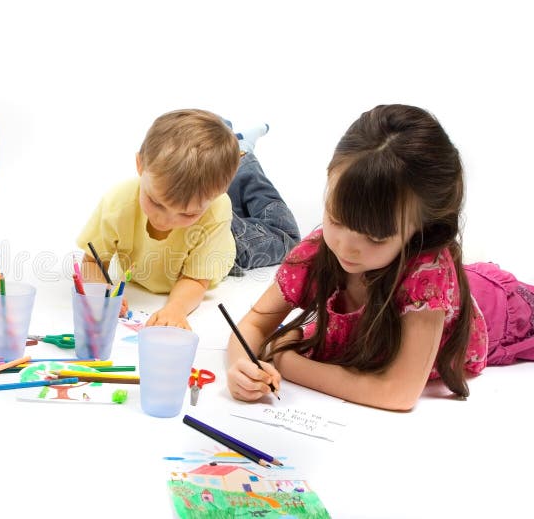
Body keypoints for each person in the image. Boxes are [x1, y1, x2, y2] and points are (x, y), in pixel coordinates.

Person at [226, 104, 534, 411]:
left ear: (422, 231)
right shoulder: (319, 250)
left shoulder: (426, 279)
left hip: (505, 309)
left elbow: (398, 394)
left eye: (374, 238)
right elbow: (253, 325)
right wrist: (242, 365)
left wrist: (286, 361)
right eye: (336, 219)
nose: (346, 247)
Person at [76, 109, 299, 329]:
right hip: (202, 218)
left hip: (229, 239)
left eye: (187, 213)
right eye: (156, 202)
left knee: (285, 235)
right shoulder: (118, 202)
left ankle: (243, 156)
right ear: (140, 164)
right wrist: (101, 290)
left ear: (217, 195)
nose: (164, 220)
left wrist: (175, 309)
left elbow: (196, 279)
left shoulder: (215, 211)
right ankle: (230, 146)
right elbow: (92, 261)